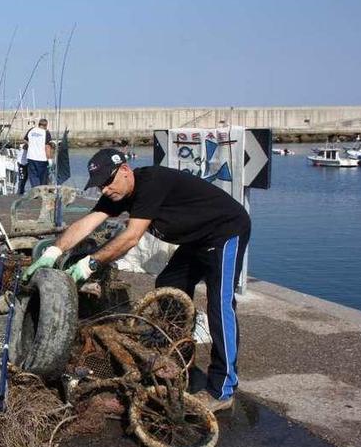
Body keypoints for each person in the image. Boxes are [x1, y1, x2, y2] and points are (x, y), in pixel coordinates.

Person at [25, 148, 251, 413]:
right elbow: (88, 223)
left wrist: (90, 264)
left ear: (124, 171)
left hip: (224, 231)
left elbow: (132, 237)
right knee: (169, 286)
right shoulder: (117, 192)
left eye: (108, 183)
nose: (105, 191)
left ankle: (222, 389)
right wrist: (53, 251)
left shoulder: (150, 183)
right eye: (100, 187)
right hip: (196, 238)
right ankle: (179, 353)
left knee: (219, 305)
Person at [23, 119, 54, 188]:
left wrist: (31, 145)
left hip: (31, 157)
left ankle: (35, 192)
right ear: (46, 125)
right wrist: (50, 160)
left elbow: (25, 140)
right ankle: (41, 192)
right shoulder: (46, 133)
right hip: (42, 158)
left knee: (33, 176)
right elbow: (47, 147)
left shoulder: (31, 130)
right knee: (42, 178)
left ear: (39, 124)